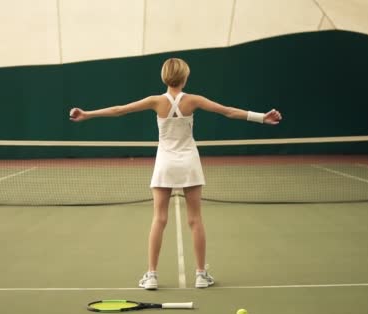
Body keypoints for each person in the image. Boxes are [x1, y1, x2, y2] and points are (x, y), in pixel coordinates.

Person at [69, 58, 282, 290]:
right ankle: (201, 275)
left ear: (164, 77)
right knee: (195, 219)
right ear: (185, 77)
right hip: (189, 162)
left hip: (165, 163)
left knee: (159, 219)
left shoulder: (155, 101)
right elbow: (228, 112)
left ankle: (151, 276)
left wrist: (87, 114)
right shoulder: (193, 100)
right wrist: (261, 117)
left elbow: (119, 110)